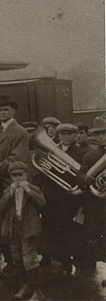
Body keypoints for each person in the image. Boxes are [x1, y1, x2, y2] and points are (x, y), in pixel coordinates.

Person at [41, 123, 86, 274]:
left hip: (69, 199)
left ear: (74, 135)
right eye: (63, 134)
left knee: (69, 233)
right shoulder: (52, 151)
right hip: (53, 198)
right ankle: (59, 261)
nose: (66, 137)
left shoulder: (81, 153)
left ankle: (68, 264)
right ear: (59, 135)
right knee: (53, 231)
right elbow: (46, 171)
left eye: (69, 134)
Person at [0, 95, 29, 276]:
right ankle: (10, 262)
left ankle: (19, 265)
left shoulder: (19, 132)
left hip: (11, 184)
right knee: (2, 225)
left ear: (13, 111)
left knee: (13, 225)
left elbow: (15, 160)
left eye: (5, 109)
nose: (1, 112)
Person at [0, 161, 46, 300]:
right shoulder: (9, 190)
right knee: (17, 257)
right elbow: (1, 206)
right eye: (14, 176)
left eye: (20, 175)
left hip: (28, 228)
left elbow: (42, 202)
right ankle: (25, 285)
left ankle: (37, 290)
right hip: (13, 227)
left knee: (29, 258)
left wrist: (29, 191)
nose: (18, 178)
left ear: (27, 175)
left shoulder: (33, 188)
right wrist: (10, 193)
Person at [76, 117, 106, 274]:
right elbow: (80, 176)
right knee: (96, 241)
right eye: (98, 134)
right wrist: (84, 179)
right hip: (96, 205)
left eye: (104, 133)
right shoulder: (90, 155)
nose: (101, 137)